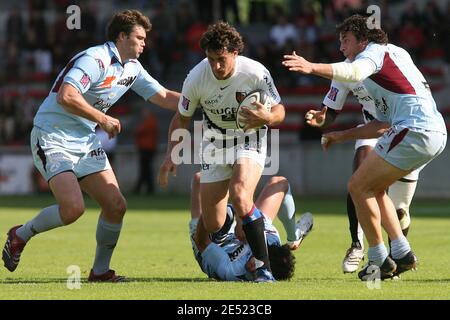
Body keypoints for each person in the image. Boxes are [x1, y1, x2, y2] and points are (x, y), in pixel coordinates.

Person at [2, 10, 180, 282]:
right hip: (53, 135)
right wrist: (102, 118)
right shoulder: (94, 58)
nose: (144, 43)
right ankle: (20, 235)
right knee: (73, 209)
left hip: (84, 139)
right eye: (139, 38)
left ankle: (99, 272)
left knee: (116, 205)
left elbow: (166, 97)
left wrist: (202, 98)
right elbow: (66, 96)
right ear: (122, 36)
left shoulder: (132, 68)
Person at [282, 14, 447, 280]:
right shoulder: (390, 58)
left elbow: (355, 72)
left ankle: (377, 259)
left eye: (346, 40)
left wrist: (310, 67)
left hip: (414, 129)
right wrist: (339, 134)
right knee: (374, 187)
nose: (341, 47)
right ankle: (402, 254)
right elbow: (380, 123)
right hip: (429, 130)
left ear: (363, 40)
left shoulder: (375, 53)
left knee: (357, 186)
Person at [158, 21, 286, 282]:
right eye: (210, 59)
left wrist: (268, 118)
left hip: (249, 137)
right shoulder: (196, 77)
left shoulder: (255, 73)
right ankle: (244, 217)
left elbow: (280, 111)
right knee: (215, 224)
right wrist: (171, 153)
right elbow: (181, 119)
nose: (215, 66)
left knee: (240, 193)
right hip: (215, 142)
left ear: (235, 53)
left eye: (221, 59)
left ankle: (263, 269)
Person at [305, 79, 420, 274]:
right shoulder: (346, 70)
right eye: (339, 44)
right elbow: (331, 111)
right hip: (372, 129)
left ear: (363, 45)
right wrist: (321, 118)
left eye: (344, 44)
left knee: (399, 209)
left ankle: (395, 259)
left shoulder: (391, 60)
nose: (341, 47)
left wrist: (311, 67)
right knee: (359, 180)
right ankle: (357, 245)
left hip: (408, 131)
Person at [190, 172, 313, 281]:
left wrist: (212, 204)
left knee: (199, 180)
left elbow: (202, 242)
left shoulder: (233, 271)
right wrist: (241, 219)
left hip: (212, 244)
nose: (252, 266)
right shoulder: (270, 237)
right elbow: (247, 206)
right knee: (279, 183)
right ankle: (293, 238)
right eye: (257, 262)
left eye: (255, 271)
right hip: (235, 235)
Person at [134, 108, 158, 194]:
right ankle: (147, 188)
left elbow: (140, 130)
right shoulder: (148, 121)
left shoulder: (150, 121)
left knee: (146, 169)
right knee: (146, 169)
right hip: (145, 148)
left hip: (147, 148)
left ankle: (142, 188)